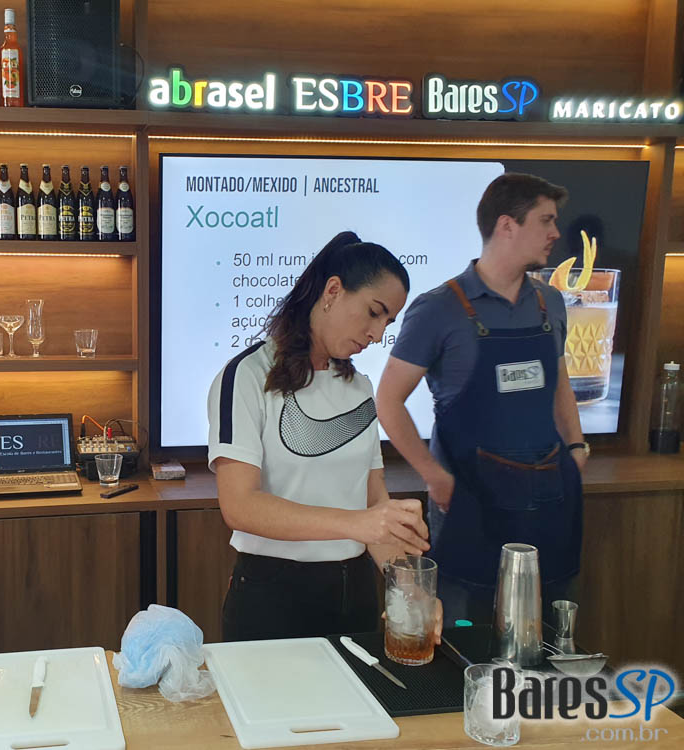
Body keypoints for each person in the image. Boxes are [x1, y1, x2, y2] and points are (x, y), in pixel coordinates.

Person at [208, 232, 441, 642]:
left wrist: (408, 587)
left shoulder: (359, 388)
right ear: (332, 291)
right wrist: (358, 523)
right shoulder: (246, 375)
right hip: (271, 598)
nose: (377, 334)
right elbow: (240, 505)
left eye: (387, 322)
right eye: (374, 312)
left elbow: (373, 501)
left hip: (356, 595)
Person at [376, 173, 586, 627]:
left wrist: (577, 446)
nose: (555, 232)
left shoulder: (551, 303)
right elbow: (388, 401)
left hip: (549, 498)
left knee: (548, 631)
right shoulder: (439, 309)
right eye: (546, 220)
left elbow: (559, 383)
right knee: (464, 634)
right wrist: (433, 476)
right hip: (471, 505)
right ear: (507, 225)